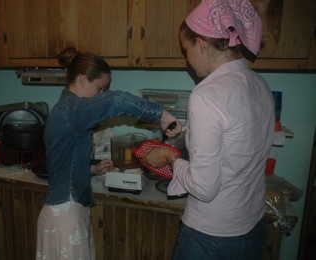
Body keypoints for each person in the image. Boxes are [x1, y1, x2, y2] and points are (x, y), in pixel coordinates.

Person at [143, 0, 275, 259]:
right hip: (251, 227)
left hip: (212, 235)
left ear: (201, 44)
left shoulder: (207, 94)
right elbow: (234, 146)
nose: (187, 61)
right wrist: (186, 135)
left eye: (186, 50)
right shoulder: (259, 84)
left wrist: (171, 157)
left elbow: (204, 188)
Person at [36, 47, 181, 260]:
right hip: (66, 217)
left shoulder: (64, 109)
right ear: (83, 80)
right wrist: (161, 114)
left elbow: (61, 162)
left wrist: (92, 169)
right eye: (100, 88)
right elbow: (115, 100)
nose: (101, 95)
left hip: (62, 211)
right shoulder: (73, 111)